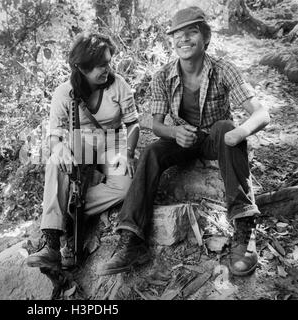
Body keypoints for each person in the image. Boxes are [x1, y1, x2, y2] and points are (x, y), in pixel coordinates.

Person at [98, 6, 270, 277]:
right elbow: (155, 124)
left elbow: (261, 113)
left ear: (206, 38)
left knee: (226, 128)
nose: (184, 39)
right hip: (181, 142)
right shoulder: (163, 76)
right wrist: (174, 133)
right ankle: (131, 240)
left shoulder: (224, 69)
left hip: (215, 140)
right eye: (178, 34)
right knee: (153, 151)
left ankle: (245, 228)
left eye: (192, 32)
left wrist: (239, 133)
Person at [26, 33, 140, 270]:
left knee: (124, 187)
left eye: (109, 62)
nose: (108, 69)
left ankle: (67, 210)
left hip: (114, 143)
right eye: (101, 65)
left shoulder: (119, 85)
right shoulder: (64, 93)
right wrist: (59, 148)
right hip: (83, 143)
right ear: (82, 67)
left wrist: (128, 152)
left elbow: (133, 124)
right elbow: (54, 135)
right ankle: (51, 244)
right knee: (55, 160)